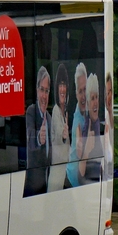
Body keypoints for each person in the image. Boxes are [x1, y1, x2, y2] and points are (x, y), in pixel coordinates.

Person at [23, 66, 51, 196]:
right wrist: (39, 138)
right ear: (36, 90)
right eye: (41, 90)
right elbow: (30, 137)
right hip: (33, 186)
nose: (44, 96)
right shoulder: (31, 111)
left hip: (47, 184)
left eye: (47, 91)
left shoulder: (49, 118)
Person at [74, 72, 103, 186]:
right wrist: (86, 150)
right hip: (88, 188)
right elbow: (80, 176)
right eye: (92, 98)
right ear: (87, 103)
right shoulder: (82, 130)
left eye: (97, 97)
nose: (95, 102)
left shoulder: (101, 125)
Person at [48, 63, 70, 192]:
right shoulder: (56, 110)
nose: (62, 89)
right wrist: (62, 136)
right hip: (57, 171)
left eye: (64, 85)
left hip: (64, 170)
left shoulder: (65, 111)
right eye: (60, 85)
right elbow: (56, 139)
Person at [66, 63, 88, 188]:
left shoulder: (84, 110)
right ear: (76, 94)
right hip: (74, 180)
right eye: (80, 91)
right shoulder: (78, 120)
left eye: (85, 89)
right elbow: (81, 153)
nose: (83, 95)